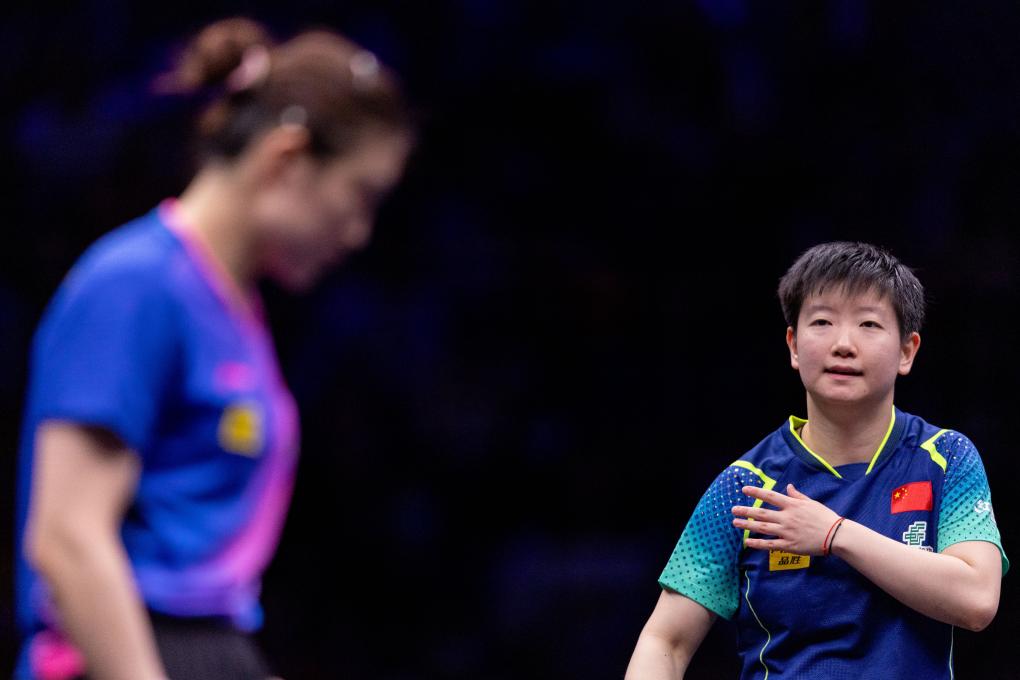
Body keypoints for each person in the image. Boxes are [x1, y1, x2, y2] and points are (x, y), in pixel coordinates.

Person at [14, 17, 413, 680]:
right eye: (360, 195)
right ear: (287, 159)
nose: (357, 233)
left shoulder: (234, 309)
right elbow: (67, 539)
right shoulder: (135, 285)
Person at [625, 242, 1008, 679]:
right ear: (793, 345)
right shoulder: (744, 486)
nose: (843, 344)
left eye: (868, 324)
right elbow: (665, 641)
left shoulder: (946, 458)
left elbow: (977, 599)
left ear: (907, 351)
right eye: (822, 322)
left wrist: (835, 534)